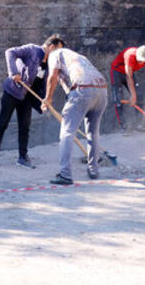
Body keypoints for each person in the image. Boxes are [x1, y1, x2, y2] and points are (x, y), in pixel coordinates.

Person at [40, 35, 108, 185]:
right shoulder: (79, 57)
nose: (44, 54)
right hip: (101, 90)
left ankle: (65, 175)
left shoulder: (55, 54)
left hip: (83, 89)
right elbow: (66, 82)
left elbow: (52, 76)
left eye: (45, 50)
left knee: (67, 132)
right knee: (93, 132)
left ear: (52, 46)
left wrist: (48, 98)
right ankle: (94, 170)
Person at [0, 43, 46, 168]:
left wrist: (43, 101)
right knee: (3, 122)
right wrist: (13, 72)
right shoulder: (32, 50)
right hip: (12, 91)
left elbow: (43, 85)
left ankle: (22, 157)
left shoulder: (48, 65)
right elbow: (10, 52)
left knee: (25, 126)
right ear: (52, 47)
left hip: (27, 96)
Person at [109, 45, 145, 128]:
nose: (142, 62)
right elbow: (129, 77)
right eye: (140, 60)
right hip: (117, 72)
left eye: (144, 61)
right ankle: (123, 126)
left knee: (139, 96)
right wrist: (133, 95)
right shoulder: (130, 55)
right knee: (118, 99)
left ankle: (139, 124)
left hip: (130, 72)